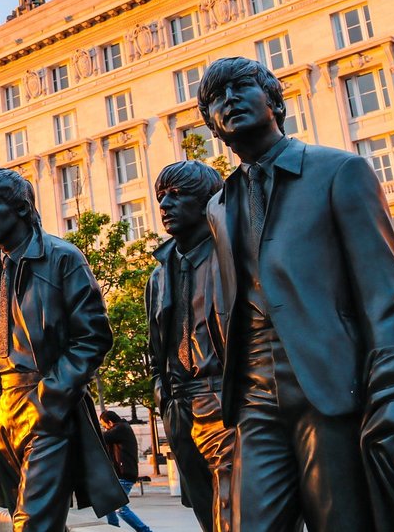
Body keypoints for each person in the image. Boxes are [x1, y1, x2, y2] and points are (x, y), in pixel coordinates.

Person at [196, 56, 394, 532]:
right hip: (254, 395)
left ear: (275, 100)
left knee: (339, 521)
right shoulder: (218, 205)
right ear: (213, 126)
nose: (229, 101)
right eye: (216, 98)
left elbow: (385, 294)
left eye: (240, 88)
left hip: (332, 387)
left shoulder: (340, 171)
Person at [0, 168, 127, 532]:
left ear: (22, 208)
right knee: (36, 520)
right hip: (1, 411)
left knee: (32, 524)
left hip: (45, 405)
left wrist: (51, 395)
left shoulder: (62, 257)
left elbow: (93, 336)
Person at [147, 161, 234, 532]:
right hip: (179, 405)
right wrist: (161, 391)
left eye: (177, 196)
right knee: (207, 515)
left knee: (238, 514)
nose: (165, 205)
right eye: (161, 196)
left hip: (226, 400)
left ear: (207, 202)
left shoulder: (232, 255)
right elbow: (156, 348)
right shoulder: (158, 273)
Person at [100, 411, 154, 532]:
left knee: (120, 507)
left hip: (125, 474)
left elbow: (102, 437)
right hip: (121, 474)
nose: (105, 429)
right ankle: (113, 528)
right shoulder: (121, 428)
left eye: (105, 426)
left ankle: (145, 530)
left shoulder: (120, 429)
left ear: (110, 422)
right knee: (109, 503)